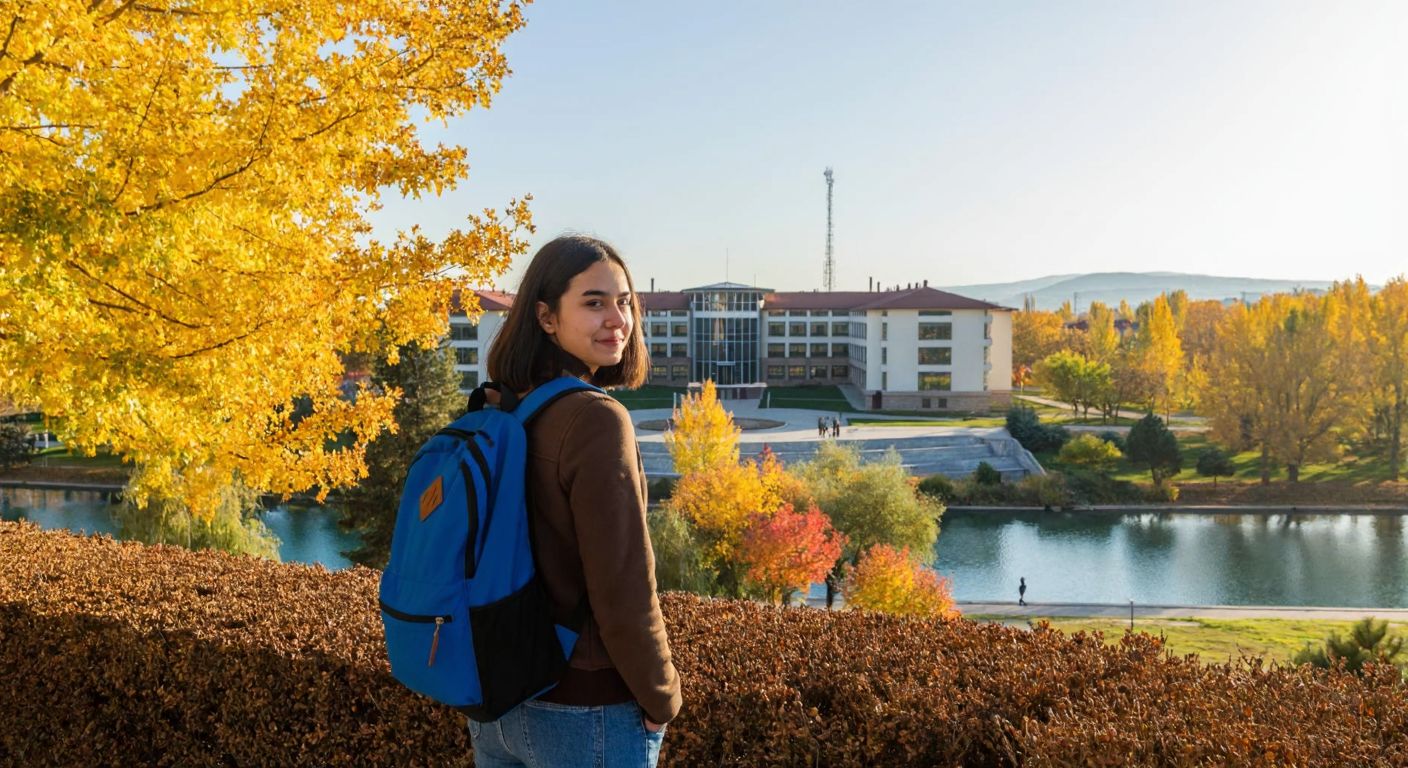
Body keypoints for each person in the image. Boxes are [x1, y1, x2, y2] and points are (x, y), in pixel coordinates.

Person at [472, 235, 681, 768]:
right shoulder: (595, 418)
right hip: (584, 712)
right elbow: (623, 586)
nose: (617, 318)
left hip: (497, 701)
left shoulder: (502, 406)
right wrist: (662, 699)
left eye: (625, 302)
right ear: (546, 317)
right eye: (593, 302)